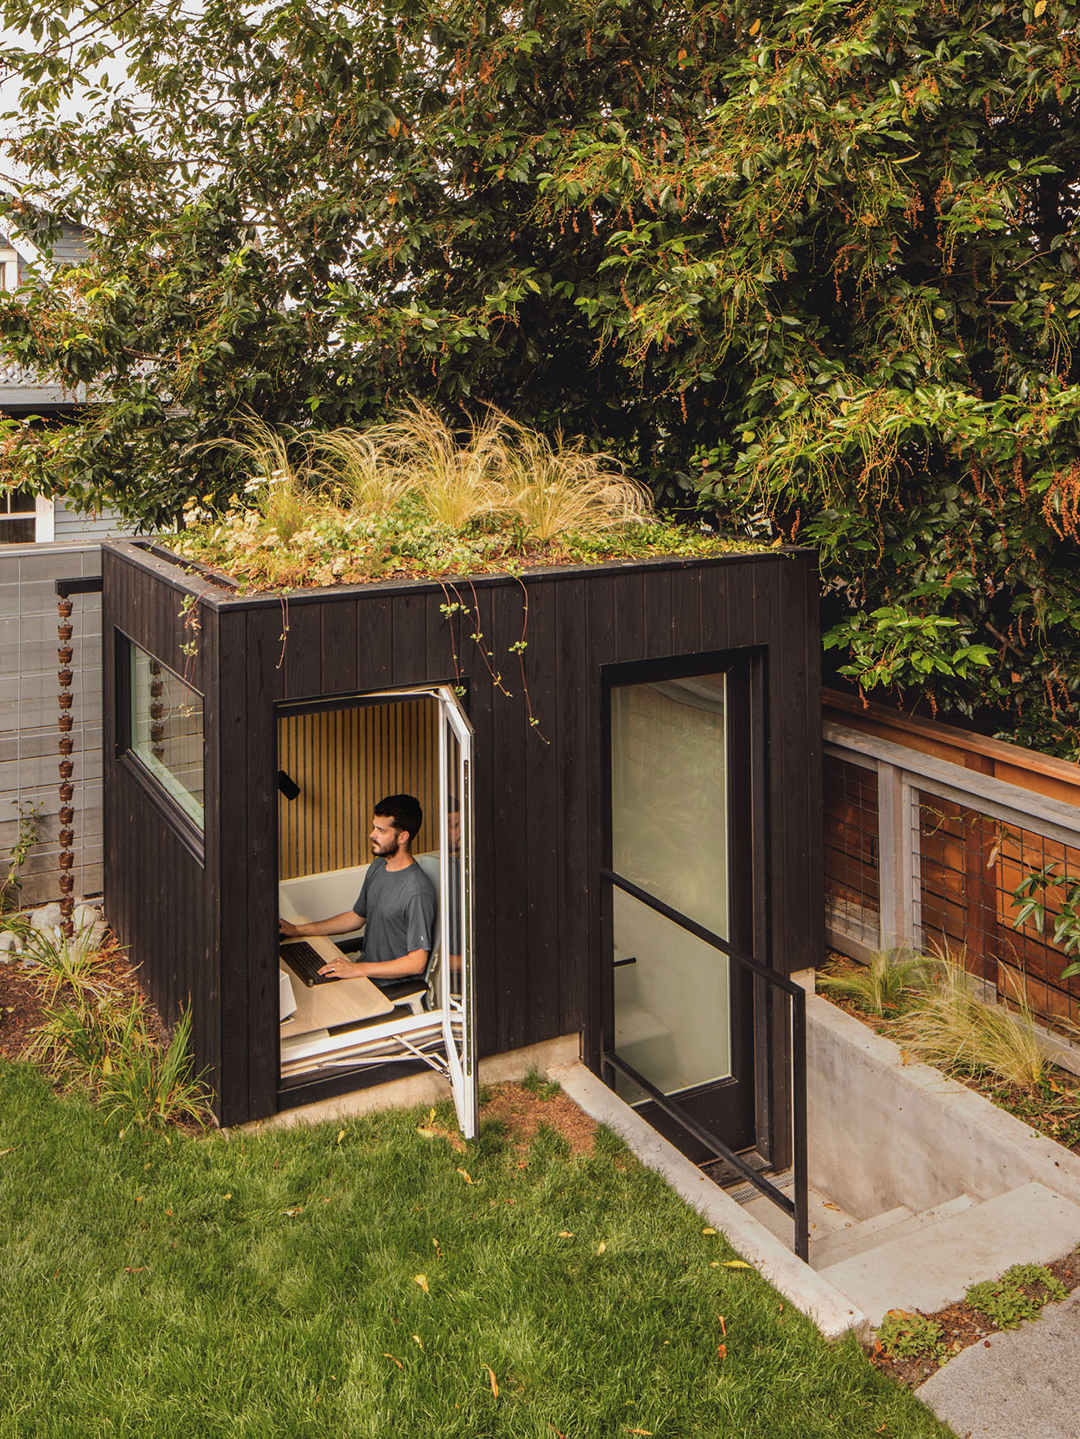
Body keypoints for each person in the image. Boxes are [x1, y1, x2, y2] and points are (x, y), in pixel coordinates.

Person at [279, 793, 436, 986]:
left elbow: (417, 963)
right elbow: (356, 917)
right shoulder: (378, 867)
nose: (372, 834)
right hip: (365, 976)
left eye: (381, 830)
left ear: (403, 837)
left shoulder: (417, 891)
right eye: (374, 827)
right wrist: (297, 930)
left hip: (387, 987)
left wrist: (356, 969)